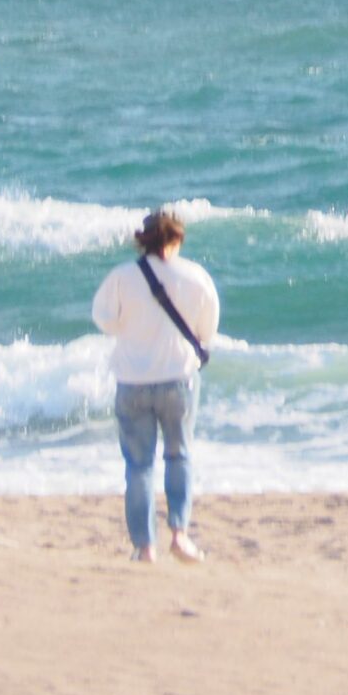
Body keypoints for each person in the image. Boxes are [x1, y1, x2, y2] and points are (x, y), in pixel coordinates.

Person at [91, 207, 220, 565]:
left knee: (138, 465)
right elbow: (207, 330)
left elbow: (103, 319)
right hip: (178, 378)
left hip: (132, 380)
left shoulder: (121, 277)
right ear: (177, 239)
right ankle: (179, 534)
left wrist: (131, 327)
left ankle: (145, 546)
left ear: (142, 241)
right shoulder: (196, 277)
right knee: (179, 456)